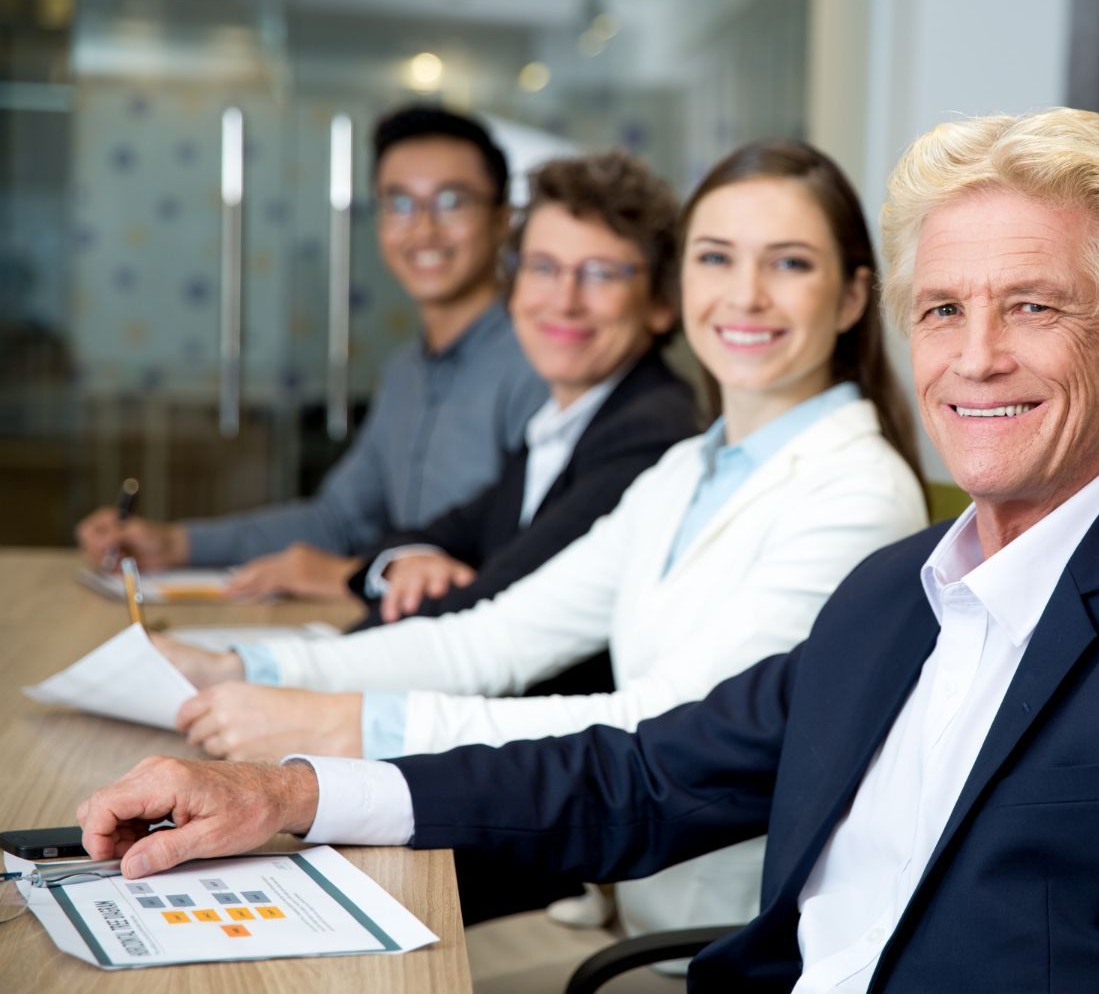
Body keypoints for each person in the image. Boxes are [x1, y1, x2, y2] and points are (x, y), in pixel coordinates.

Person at [79, 109, 1099, 991]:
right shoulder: (903, 593)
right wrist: (294, 796)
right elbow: (640, 773)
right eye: (945, 310)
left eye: (1035, 308)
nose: (975, 356)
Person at [145, 140, 929, 939]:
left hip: (728, 943)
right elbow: (493, 639)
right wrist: (252, 667)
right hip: (627, 902)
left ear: (852, 297)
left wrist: (342, 727)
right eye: (717, 257)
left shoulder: (857, 495)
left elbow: (658, 731)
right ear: (684, 282)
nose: (746, 294)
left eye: (790, 264)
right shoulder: (688, 469)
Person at [73, 105, 548, 602]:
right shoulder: (406, 372)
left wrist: (343, 576)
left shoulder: (538, 365)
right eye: (399, 203)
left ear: (502, 220)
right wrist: (176, 543)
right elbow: (338, 520)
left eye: (452, 201)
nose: (423, 230)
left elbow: (530, 563)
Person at [343, 149, 697, 631]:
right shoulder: (561, 424)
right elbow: (414, 540)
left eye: (600, 274)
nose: (564, 301)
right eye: (543, 268)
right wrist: (408, 563)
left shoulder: (647, 434)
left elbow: (492, 616)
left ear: (661, 303)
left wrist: (275, 669)